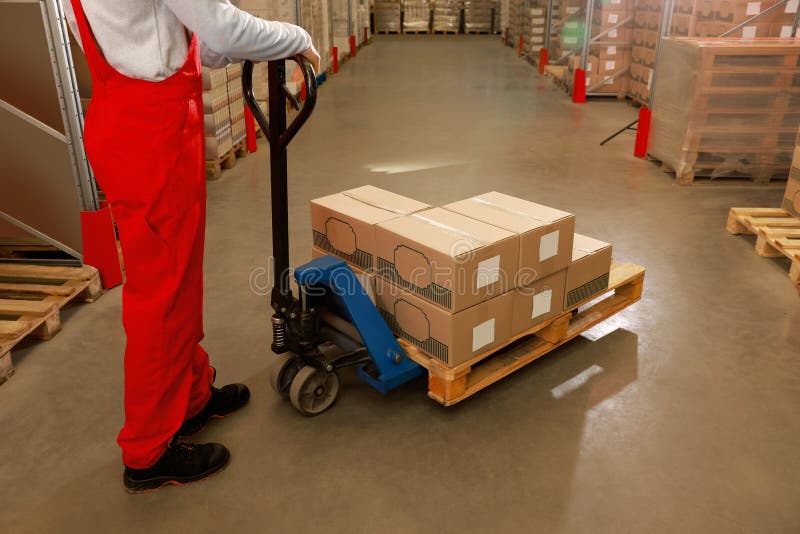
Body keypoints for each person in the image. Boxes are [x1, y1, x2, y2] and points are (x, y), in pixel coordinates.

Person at [62, 0, 320, 493]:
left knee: (177, 277)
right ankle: (148, 449)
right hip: (151, 129)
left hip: (128, 116)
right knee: (160, 293)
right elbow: (221, 27)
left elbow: (167, 33)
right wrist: (295, 38)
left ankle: (191, 396)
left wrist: (222, 47)